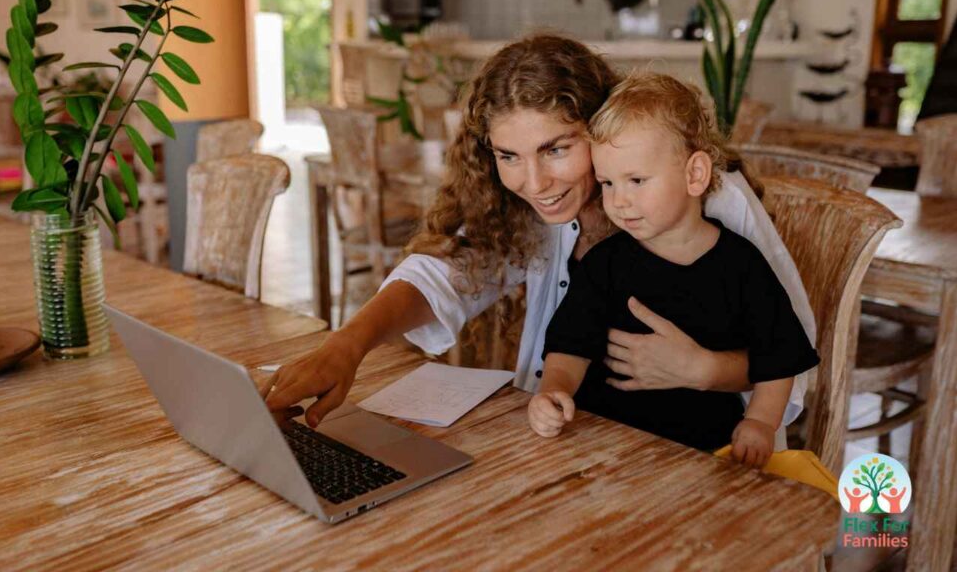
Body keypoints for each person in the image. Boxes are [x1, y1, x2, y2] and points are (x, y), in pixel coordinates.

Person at [265, 34, 815, 451]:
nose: (534, 183)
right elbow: (442, 275)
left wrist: (704, 370)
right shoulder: (528, 208)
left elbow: (794, 363)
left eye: (555, 149)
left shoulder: (712, 200)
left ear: (601, 126)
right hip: (571, 439)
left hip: (700, 452)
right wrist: (347, 345)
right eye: (509, 156)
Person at [526, 72, 820, 466]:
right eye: (608, 183)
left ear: (694, 175)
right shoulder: (604, 264)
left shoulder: (743, 266)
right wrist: (553, 391)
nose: (619, 201)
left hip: (704, 450)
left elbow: (778, 357)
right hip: (605, 446)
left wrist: (761, 423)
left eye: (636, 180)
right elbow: (569, 347)